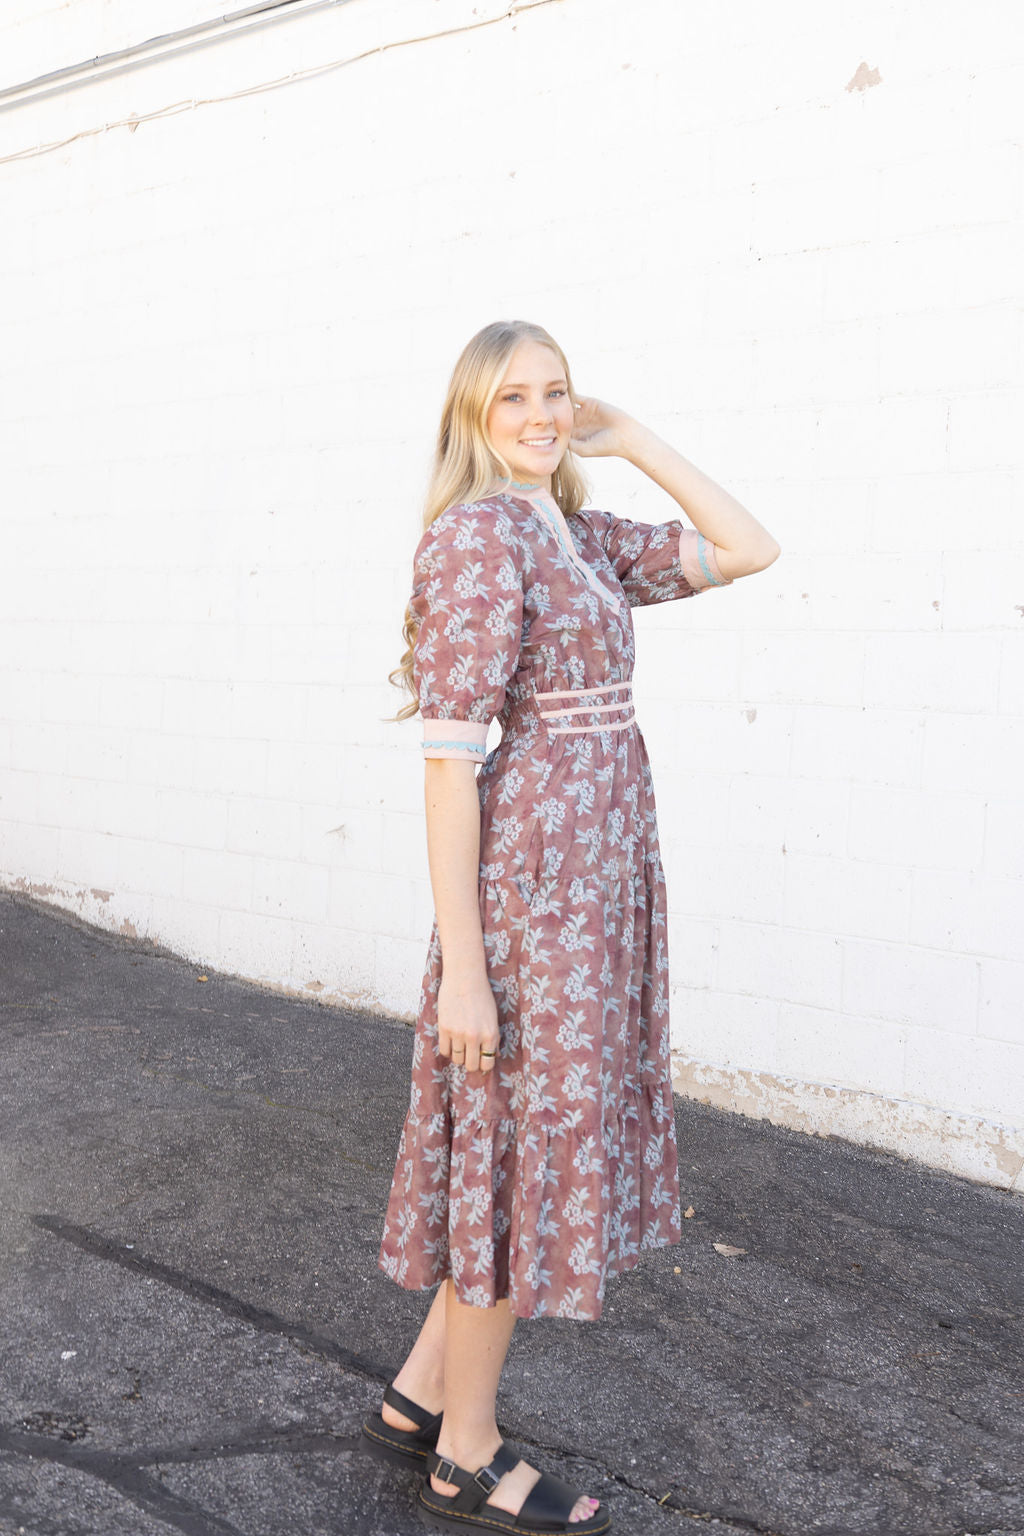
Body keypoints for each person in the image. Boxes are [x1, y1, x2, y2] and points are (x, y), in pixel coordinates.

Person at [361, 319, 781, 1534]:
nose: (541, 414)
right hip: (534, 895)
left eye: (556, 392)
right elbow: (447, 768)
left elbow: (748, 548)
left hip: (596, 877)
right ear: (471, 416)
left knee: (521, 1138)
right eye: (512, 398)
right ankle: (465, 1454)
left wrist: (631, 435)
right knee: (511, 1153)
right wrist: (467, 973)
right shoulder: (479, 538)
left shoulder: (578, 534)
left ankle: (416, 1397)